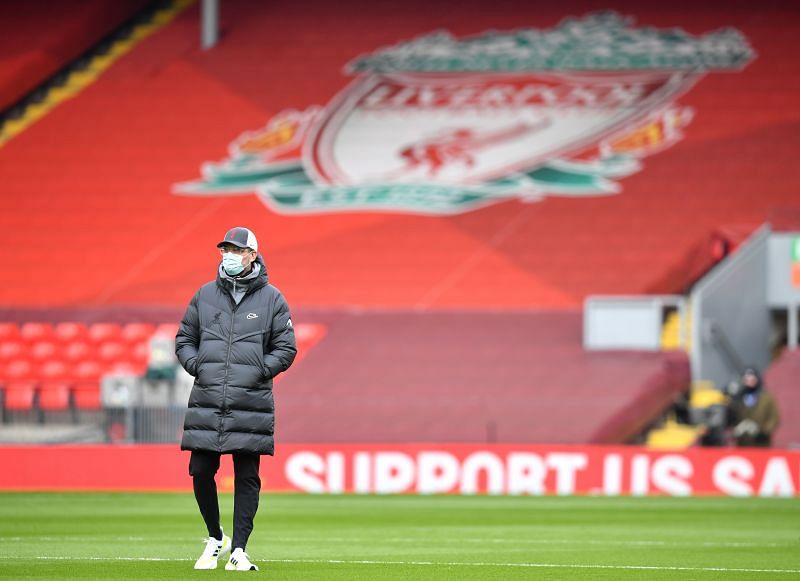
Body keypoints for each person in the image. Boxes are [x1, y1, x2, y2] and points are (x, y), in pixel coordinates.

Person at [175, 226, 297, 571]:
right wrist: (198, 366)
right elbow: (184, 337)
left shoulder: (273, 298)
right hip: (208, 397)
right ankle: (215, 537)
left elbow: (286, 348)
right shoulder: (204, 294)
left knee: (246, 475)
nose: (228, 255)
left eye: (236, 250)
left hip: (251, 400)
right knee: (200, 470)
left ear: (252, 256)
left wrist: (258, 371)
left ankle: (239, 550)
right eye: (225, 249)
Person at [729, 367, 780, 448]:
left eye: (752, 379)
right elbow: (732, 416)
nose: (749, 382)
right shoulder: (738, 397)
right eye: (746, 380)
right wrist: (735, 428)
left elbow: (774, 417)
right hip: (742, 442)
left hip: (761, 442)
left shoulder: (766, 397)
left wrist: (764, 432)